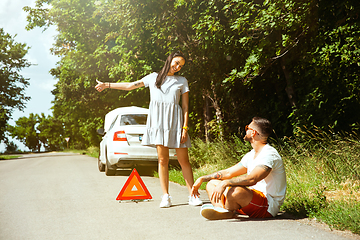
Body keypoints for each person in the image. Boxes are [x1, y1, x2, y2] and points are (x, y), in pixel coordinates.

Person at [95, 51, 203, 208]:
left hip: (176, 123)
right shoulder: (153, 77)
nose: (178, 67)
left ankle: (193, 195)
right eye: (176, 62)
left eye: (181, 65)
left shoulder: (182, 81)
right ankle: (166, 196)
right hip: (158, 123)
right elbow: (130, 86)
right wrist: (107, 85)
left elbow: (185, 107)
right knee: (162, 160)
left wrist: (185, 128)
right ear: (170, 59)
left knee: (183, 160)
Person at [191, 117, 286, 220]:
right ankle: (223, 210)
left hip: (266, 206)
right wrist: (202, 178)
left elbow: (252, 179)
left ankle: (228, 210)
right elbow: (228, 172)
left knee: (235, 191)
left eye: (247, 128)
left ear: (253, 132)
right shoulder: (251, 154)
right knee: (212, 184)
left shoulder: (269, 154)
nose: (246, 130)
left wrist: (225, 183)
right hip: (249, 199)